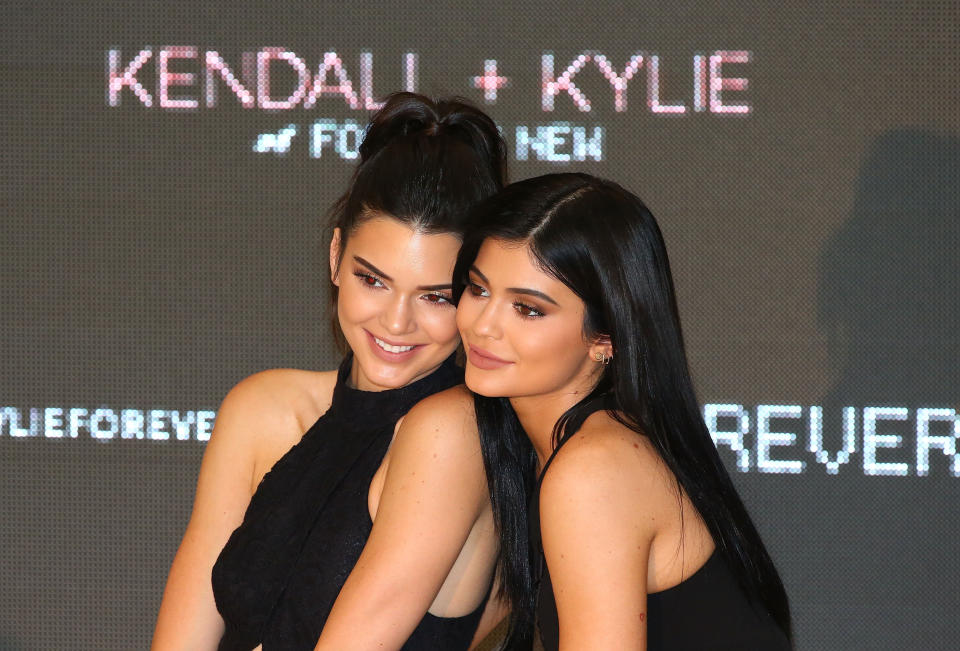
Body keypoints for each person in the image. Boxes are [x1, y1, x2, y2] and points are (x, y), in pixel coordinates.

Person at [152, 92, 509, 650]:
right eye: (373, 280)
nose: (396, 321)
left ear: (474, 299)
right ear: (336, 256)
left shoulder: (455, 433)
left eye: (435, 297)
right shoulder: (260, 409)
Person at [453, 173, 793, 650]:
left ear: (604, 338)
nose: (483, 325)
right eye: (478, 289)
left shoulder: (594, 468)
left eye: (528, 309)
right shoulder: (587, 444)